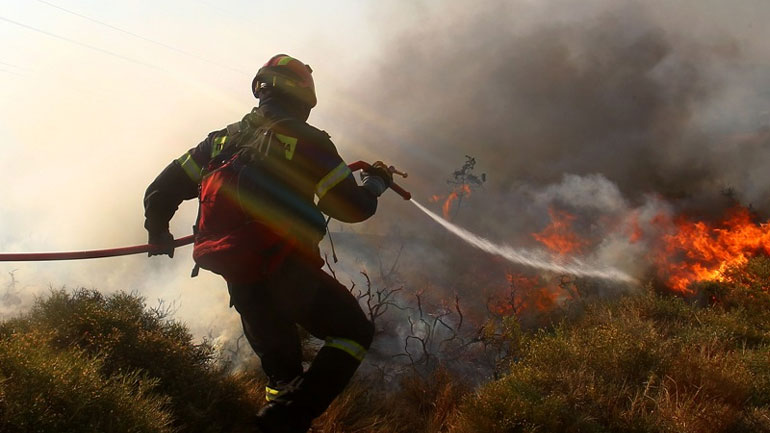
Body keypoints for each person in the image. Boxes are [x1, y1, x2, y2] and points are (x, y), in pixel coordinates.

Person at [143, 54, 393, 433]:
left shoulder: (220, 141)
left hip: (240, 277)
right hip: (286, 269)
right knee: (353, 333)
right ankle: (279, 422)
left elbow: (160, 189)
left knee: (283, 378)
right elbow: (352, 208)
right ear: (305, 98)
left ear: (261, 89)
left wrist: (157, 231)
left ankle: (280, 417)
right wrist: (376, 184)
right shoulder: (309, 141)